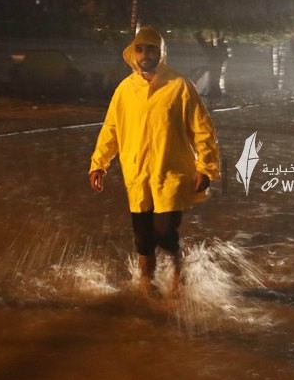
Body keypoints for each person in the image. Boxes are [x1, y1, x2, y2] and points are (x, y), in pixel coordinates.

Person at [88, 25, 220, 296]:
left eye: (151, 49)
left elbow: (203, 130)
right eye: (140, 48)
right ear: (133, 54)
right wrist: (99, 163)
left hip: (171, 173)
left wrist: (206, 167)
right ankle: (146, 283)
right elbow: (111, 128)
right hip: (136, 173)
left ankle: (177, 271)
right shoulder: (125, 89)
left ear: (161, 53)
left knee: (164, 231)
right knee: (142, 235)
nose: (145, 54)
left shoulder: (180, 86)